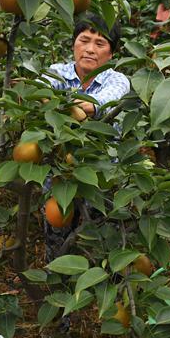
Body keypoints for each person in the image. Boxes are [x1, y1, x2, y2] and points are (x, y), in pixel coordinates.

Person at [40, 13, 130, 260]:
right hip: (58, 180)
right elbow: (39, 91)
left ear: (111, 53)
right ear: (73, 44)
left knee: (99, 244)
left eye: (100, 44)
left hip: (99, 181)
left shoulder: (117, 79)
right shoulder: (58, 72)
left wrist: (61, 106)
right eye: (84, 40)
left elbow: (102, 101)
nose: (90, 49)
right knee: (57, 242)